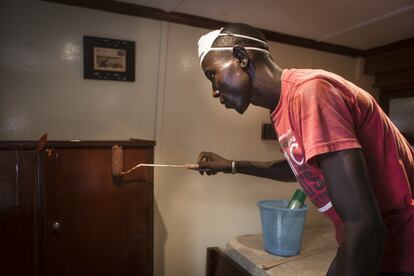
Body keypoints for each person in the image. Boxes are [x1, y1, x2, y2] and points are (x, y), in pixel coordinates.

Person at [194, 23, 414, 276]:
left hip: (401, 245)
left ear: (241, 57)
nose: (214, 91)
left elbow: (365, 225)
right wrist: (231, 165)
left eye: (212, 75)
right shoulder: (282, 107)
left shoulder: (310, 92)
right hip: (364, 241)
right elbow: (300, 168)